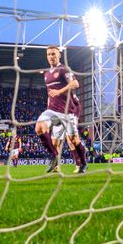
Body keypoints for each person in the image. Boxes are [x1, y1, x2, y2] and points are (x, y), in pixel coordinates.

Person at [34, 46, 88, 174]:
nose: (51, 56)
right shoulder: (47, 74)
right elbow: (49, 93)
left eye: (53, 54)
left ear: (59, 55)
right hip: (53, 110)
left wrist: (59, 91)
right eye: (48, 54)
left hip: (69, 110)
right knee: (41, 129)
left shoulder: (64, 69)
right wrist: (49, 107)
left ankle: (82, 164)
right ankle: (54, 160)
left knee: (72, 140)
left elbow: (75, 84)